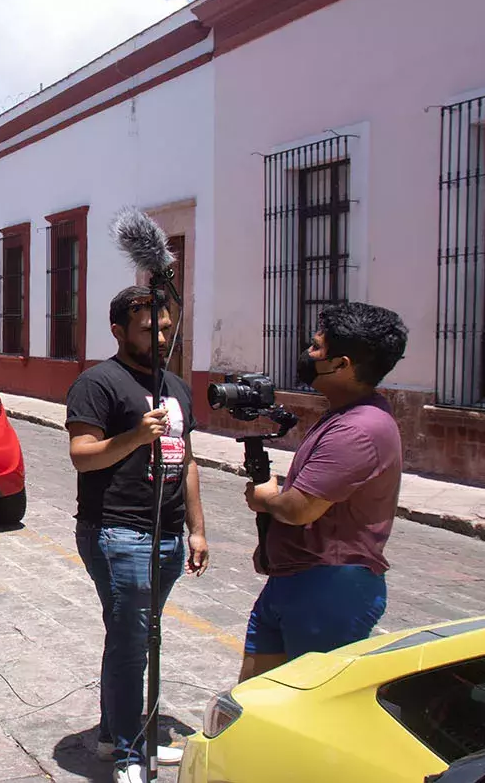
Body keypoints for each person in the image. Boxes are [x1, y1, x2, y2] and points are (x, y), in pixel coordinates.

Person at [65, 286, 209, 783]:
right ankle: (129, 752)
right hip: (117, 530)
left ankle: (114, 734)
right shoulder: (97, 383)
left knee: (140, 636)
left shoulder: (177, 385)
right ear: (119, 330)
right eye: (150, 329)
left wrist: (197, 530)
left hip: (167, 531)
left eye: (167, 328)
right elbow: (82, 454)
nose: (162, 336)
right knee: (133, 640)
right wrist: (134, 437)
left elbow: (185, 458)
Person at [240, 302, 407, 681]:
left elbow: (301, 510)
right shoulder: (344, 415)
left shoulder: (357, 430)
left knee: (305, 703)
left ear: (342, 364)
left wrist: (265, 497)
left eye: (317, 348)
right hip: (296, 578)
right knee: (254, 701)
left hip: (328, 586)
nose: (309, 355)